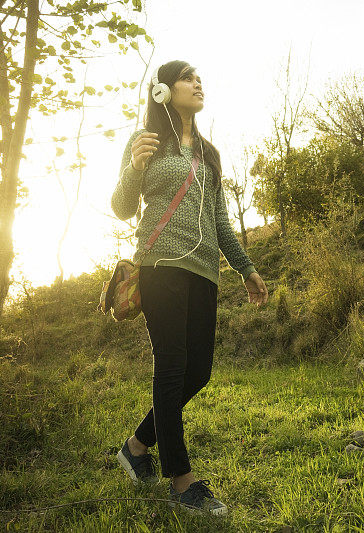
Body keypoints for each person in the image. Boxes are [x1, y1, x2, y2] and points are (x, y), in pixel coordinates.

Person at [110, 60, 268, 517]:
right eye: (187, 77)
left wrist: (245, 268)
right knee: (173, 367)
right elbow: (122, 207)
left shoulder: (209, 154)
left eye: (199, 78)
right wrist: (135, 168)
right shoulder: (145, 143)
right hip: (159, 268)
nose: (197, 83)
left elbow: (219, 220)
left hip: (204, 274)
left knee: (198, 372)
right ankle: (182, 483)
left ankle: (137, 446)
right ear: (163, 90)